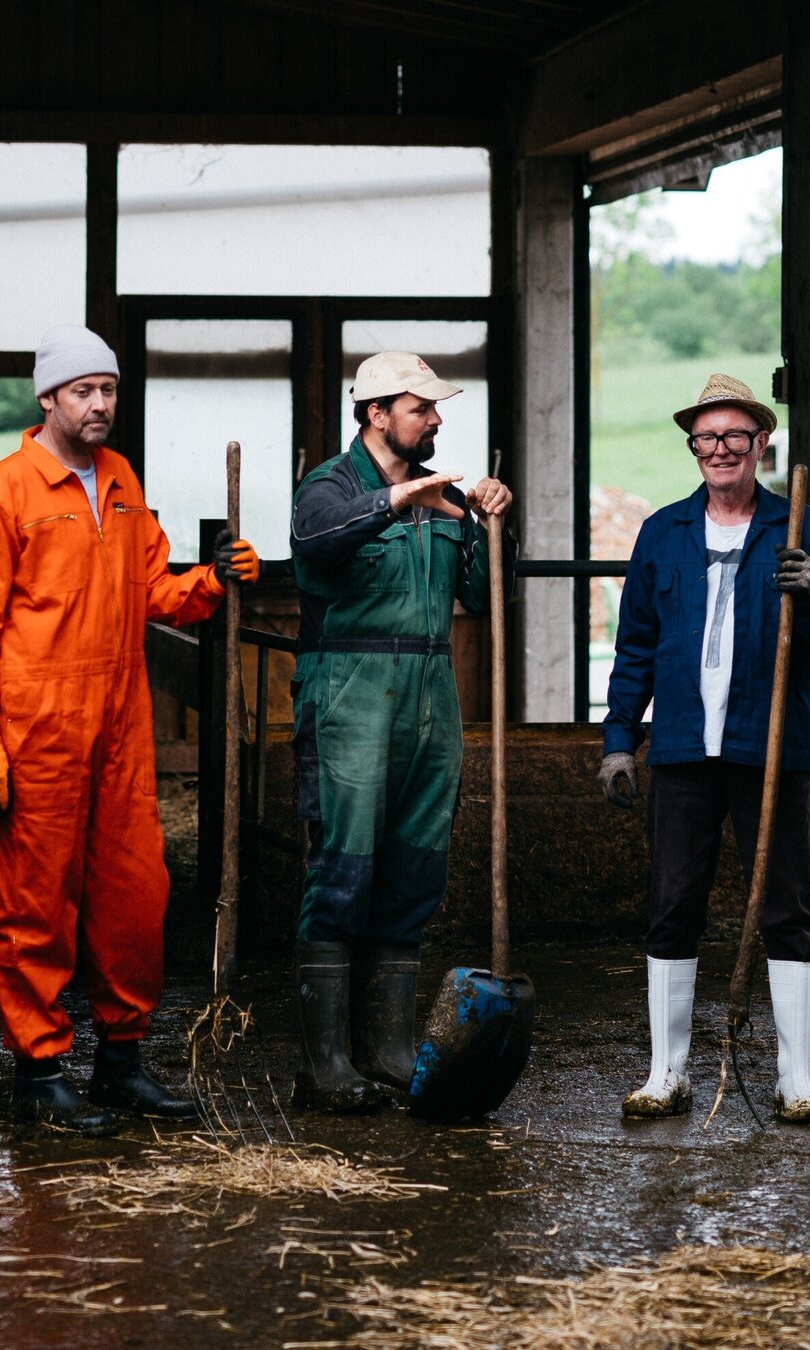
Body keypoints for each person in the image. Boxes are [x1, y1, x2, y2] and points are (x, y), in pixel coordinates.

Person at [0, 323, 262, 1135]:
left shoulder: (120, 479)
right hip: (37, 728)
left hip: (121, 725)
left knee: (134, 895)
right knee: (35, 903)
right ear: (48, 398)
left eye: (109, 389)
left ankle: (121, 1063)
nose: (100, 404)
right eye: (83, 390)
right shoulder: (6, 490)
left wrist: (213, 581)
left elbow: (152, 589)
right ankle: (40, 1074)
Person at [599, 374, 810, 1125]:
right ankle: (667, 1073)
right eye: (706, 438)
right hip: (682, 749)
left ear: (761, 443)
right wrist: (620, 739)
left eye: (734, 437)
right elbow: (636, 646)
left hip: (769, 750)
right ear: (694, 447)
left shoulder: (800, 528)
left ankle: (796, 1077)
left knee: (787, 909)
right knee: (672, 907)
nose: (719, 450)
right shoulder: (664, 532)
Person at [287, 351, 514, 1114]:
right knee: (343, 868)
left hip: (429, 691)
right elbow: (315, 540)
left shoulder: (441, 498)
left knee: (416, 867)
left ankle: (386, 1048)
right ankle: (324, 1063)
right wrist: (395, 500)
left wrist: (488, 524)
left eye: (436, 408)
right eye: (422, 408)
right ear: (377, 413)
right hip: (351, 691)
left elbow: (484, 596)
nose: (436, 419)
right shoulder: (330, 486)